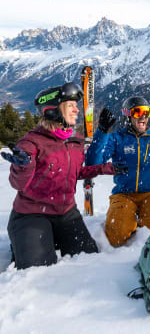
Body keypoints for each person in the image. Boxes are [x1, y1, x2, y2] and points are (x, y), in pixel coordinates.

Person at [2, 82, 125, 270]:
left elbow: (74, 173)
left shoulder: (74, 141)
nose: (77, 110)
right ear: (52, 111)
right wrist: (23, 166)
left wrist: (105, 169)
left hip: (66, 213)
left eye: (76, 105)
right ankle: (22, 240)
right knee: (38, 270)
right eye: (70, 105)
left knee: (90, 261)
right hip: (31, 215)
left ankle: (49, 239)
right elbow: (18, 184)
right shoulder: (31, 142)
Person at [86, 96, 150, 246]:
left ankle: (140, 217)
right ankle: (128, 217)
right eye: (137, 112)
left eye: (146, 112)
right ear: (128, 115)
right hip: (123, 194)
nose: (143, 116)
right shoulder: (117, 138)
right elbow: (93, 163)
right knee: (116, 237)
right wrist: (102, 131)